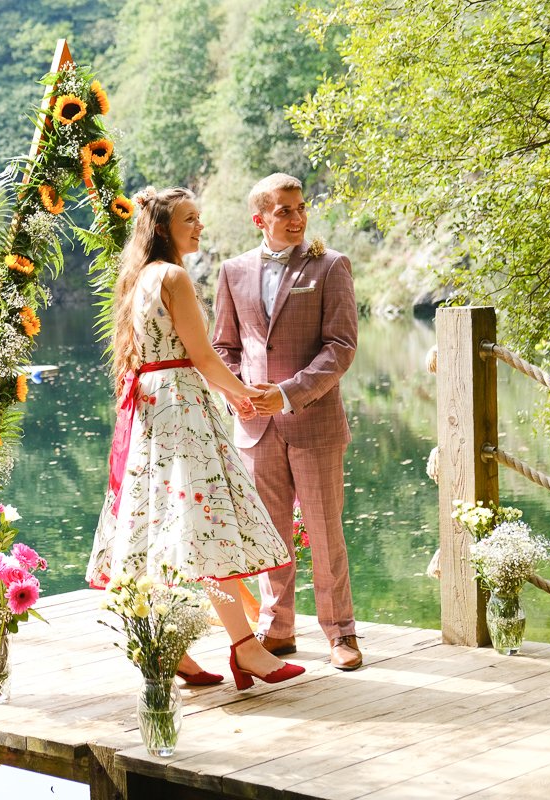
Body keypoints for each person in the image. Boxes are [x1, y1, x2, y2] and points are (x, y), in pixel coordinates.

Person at [87, 186, 304, 691]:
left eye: (199, 218)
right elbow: (204, 358)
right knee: (208, 524)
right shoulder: (174, 277)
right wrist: (243, 395)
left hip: (152, 406)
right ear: (162, 228)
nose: (199, 227)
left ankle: (173, 649)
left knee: (165, 525)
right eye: (189, 219)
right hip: (182, 405)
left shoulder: (137, 279)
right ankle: (246, 650)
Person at [212, 173, 362, 670]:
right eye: (284, 211)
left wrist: (287, 394)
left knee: (324, 531)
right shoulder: (232, 271)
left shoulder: (330, 266)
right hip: (255, 426)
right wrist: (238, 395)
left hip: (314, 420)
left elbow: (340, 347)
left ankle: (340, 633)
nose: (297, 218)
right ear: (260, 219)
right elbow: (223, 347)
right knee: (268, 535)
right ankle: (278, 629)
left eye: (301, 209)